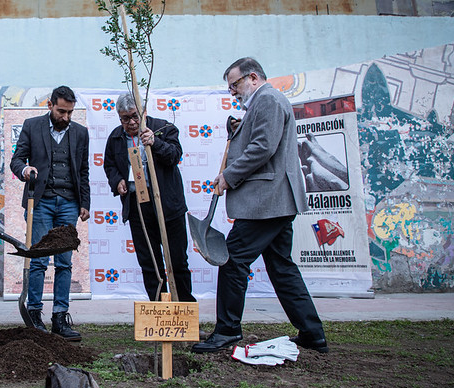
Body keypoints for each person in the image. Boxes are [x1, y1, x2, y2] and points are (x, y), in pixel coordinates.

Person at [192, 57, 328, 354]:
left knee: (233, 261)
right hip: (274, 201)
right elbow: (261, 139)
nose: (233, 92)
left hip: (265, 202)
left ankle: (227, 330)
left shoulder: (267, 99)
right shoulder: (265, 103)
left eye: (235, 85)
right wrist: (240, 128)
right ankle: (312, 334)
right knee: (282, 268)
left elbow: (263, 148)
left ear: (252, 77)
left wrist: (228, 176)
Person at [9, 85, 90, 341]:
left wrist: (84, 202)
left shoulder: (80, 133)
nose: (66, 117)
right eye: (61, 111)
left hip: (68, 203)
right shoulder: (32, 126)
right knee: (39, 260)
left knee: (65, 262)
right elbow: (17, 159)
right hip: (40, 202)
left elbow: (84, 171)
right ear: (50, 105)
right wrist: (25, 170)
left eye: (70, 112)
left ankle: (60, 318)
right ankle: (34, 315)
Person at [103, 93, 195, 302]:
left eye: (135, 116)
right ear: (119, 118)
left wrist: (155, 143)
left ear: (144, 112)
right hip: (138, 206)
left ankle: (185, 311)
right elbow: (109, 165)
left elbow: (174, 156)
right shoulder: (116, 137)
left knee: (177, 261)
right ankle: (157, 312)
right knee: (149, 261)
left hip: (168, 205)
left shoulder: (164, 128)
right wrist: (117, 181)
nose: (132, 122)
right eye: (125, 118)